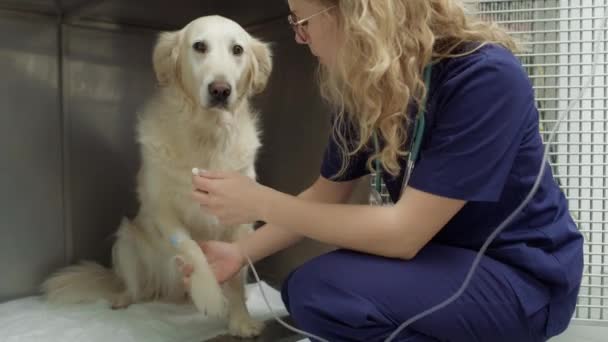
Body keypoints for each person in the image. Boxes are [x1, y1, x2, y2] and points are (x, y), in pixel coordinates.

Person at [180, 1, 584, 341]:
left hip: (521, 277)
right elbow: (325, 196)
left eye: (303, 23)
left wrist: (259, 202)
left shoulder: (484, 77)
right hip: (441, 260)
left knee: (323, 292)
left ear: (354, 15)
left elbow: (404, 234)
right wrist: (238, 253)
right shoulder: (367, 91)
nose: (301, 39)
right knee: (308, 289)